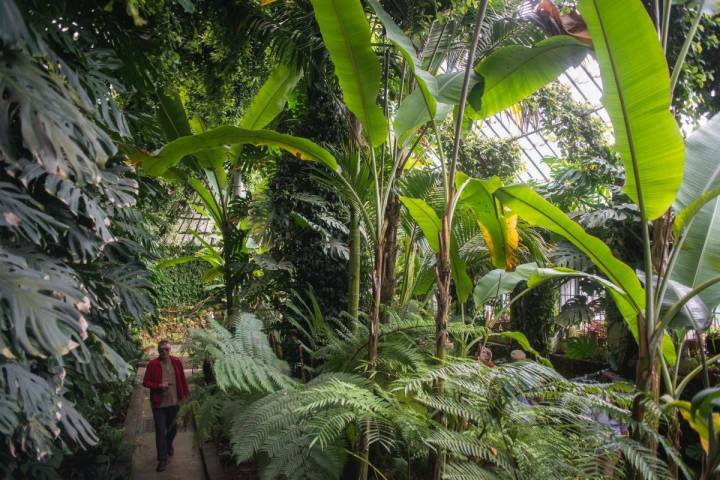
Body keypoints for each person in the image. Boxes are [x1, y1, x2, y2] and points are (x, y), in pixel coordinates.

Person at [142, 340, 189, 472]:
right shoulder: (153, 364)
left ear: (170, 350)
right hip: (159, 405)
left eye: (166, 350)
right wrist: (158, 386)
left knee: (173, 428)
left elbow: (183, 380)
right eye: (161, 350)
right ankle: (162, 459)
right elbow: (145, 382)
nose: (164, 352)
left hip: (174, 402)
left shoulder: (176, 362)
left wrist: (185, 397)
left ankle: (168, 445)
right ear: (158, 350)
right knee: (160, 432)